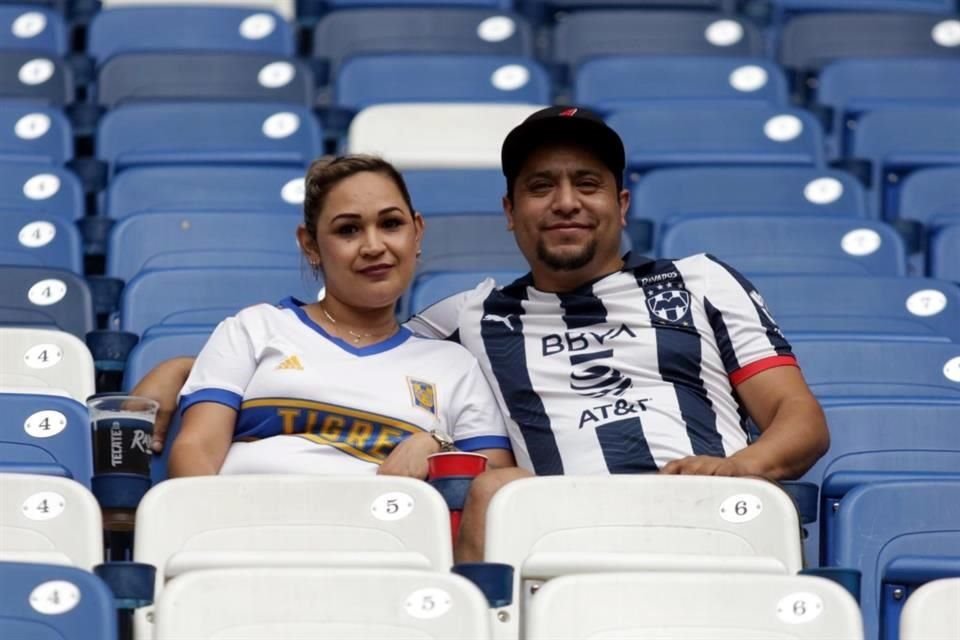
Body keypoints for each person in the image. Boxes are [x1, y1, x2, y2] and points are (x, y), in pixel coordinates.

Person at [135, 107, 829, 560]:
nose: (564, 202)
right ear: (509, 210)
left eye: (586, 183)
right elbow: (350, 348)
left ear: (620, 203)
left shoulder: (702, 281)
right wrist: (183, 371)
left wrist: (740, 468)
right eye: (540, 186)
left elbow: (799, 421)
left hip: (713, 513)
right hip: (569, 541)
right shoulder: (474, 317)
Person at [166, 155, 514, 478]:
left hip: (388, 540)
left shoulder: (455, 365)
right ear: (311, 245)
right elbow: (196, 449)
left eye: (391, 224)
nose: (374, 246)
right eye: (348, 230)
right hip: (248, 532)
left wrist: (437, 444)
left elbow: (493, 479)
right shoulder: (254, 329)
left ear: (416, 232)